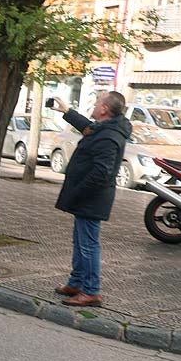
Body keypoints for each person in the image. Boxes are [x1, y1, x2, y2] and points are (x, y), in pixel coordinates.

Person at [50, 92, 131, 308]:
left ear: (104, 109)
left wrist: (78, 192)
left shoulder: (109, 136)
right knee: (80, 242)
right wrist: (67, 111)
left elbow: (101, 173)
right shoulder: (105, 128)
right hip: (87, 199)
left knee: (88, 246)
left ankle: (91, 291)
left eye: (96, 103)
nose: (93, 106)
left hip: (91, 199)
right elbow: (87, 127)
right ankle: (76, 283)